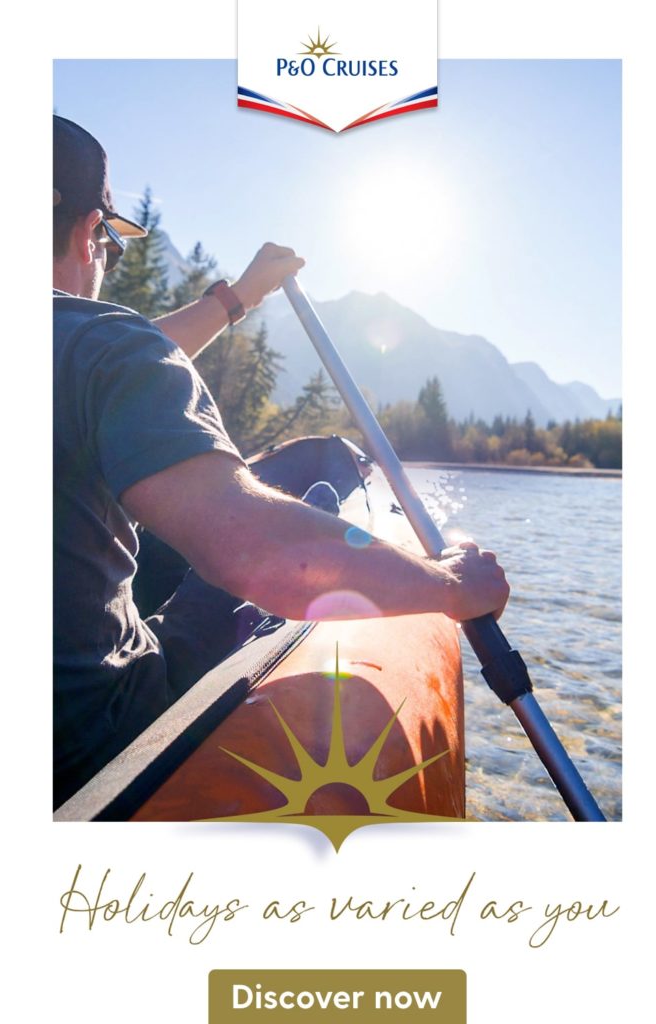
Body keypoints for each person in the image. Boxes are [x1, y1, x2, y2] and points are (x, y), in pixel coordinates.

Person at [53, 115, 509, 809]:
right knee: (313, 487)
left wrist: (237, 299)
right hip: (88, 740)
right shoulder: (97, 346)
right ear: (90, 231)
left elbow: (105, 359)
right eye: (111, 245)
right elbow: (261, 559)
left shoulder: (85, 349)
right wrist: (447, 586)